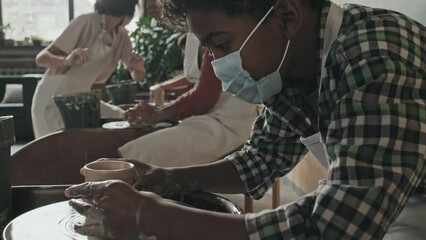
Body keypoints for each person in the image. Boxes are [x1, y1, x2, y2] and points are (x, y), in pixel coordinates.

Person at [64, 0, 426, 239]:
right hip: (378, 212)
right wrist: (167, 179)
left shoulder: (375, 55)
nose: (219, 66)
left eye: (221, 44)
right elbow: (258, 161)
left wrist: (153, 217)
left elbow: (338, 226)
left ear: (287, 17)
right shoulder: (293, 67)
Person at [118, 32, 259, 167]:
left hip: (229, 125)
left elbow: (204, 98)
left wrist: (157, 113)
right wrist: (161, 109)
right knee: (143, 140)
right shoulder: (196, 34)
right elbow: (197, 82)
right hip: (210, 117)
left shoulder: (215, 34)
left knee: (140, 151)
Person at [31, 0, 145, 139]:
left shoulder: (121, 36)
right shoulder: (86, 21)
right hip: (53, 98)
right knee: (58, 152)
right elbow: (41, 58)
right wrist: (66, 61)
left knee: (122, 116)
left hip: (82, 99)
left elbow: (137, 76)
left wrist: (138, 69)